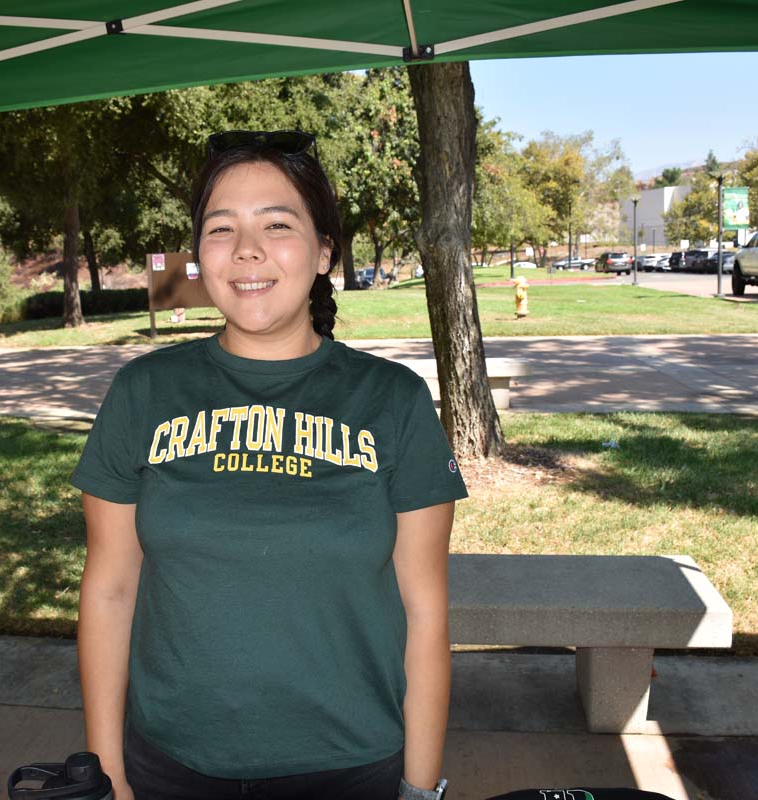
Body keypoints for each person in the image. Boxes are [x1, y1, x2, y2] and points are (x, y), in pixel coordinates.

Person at [73, 129, 467, 800]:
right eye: (221, 228)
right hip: (171, 765)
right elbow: (110, 591)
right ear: (197, 255)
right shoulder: (143, 393)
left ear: (322, 252)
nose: (247, 250)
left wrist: (419, 789)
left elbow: (424, 610)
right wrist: (109, 775)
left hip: (352, 768)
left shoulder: (393, 402)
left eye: (276, 224)